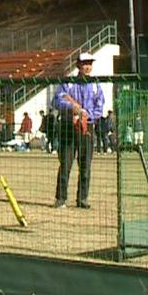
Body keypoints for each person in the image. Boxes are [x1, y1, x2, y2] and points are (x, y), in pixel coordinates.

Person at [51, 52, 104, 208]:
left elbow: (99, 107)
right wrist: (72, 108)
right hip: (68, 127)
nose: (87, 67)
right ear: (78, 66)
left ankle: (82, 198)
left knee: (85, 165)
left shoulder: (95, 85)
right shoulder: (68, 82)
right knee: (65, 164)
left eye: (90, 63)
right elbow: (56, 100)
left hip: (87, 128)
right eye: (84, 63)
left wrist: (88, 116)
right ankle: (61, 198)